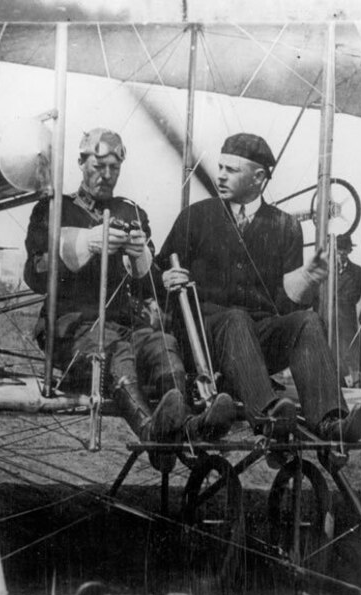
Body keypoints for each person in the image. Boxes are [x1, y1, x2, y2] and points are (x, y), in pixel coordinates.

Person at [23, 128, 235, 466]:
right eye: (99, 166)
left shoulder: (131, 213)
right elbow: (35, 273)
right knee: (116, 351)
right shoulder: (53, 210)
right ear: (81, 162)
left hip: (125, 323)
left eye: (114, 168)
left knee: (163, 346)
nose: (107, 176)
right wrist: (83, 244)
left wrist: (145, 261)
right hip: (69, 328)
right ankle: (153, 434)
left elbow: (146, 282)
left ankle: (186, 430)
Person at [157, 133, 361, 443]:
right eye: (220, 167)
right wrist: (166, 278)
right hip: (205, 341)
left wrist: (307, 279)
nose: (220, 175)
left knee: (308, 321)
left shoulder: (285, 226)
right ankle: (269, 415)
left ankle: (330, 421)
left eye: (232, 169)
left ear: (259, 177)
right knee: (236, 318)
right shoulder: (196, 217)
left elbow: (285, 307)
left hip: (260, 342)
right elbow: (156, 274)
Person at [333, 233, 361, 387]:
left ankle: (348, 384)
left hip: (346, 321)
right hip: (328, 320)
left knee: (347, 355)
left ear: (350, 251)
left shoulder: (357, 272)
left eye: (345, 250)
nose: (342, 253)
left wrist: (335, 297)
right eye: (339, 250)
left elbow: (354, 295)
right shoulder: (327, 269)